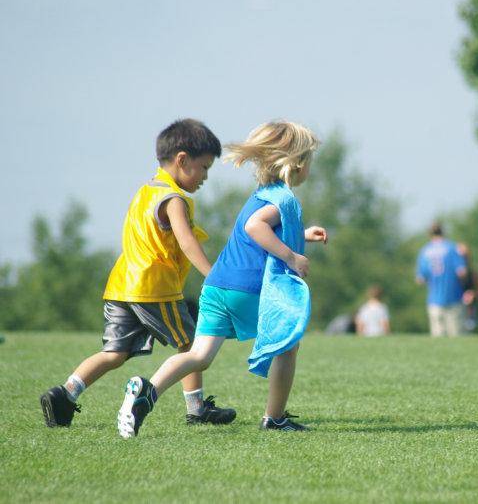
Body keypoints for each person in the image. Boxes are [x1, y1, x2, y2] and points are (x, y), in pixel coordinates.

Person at [117, 120, 327, 438]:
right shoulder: (284, 198)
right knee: (288, 343)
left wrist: (302, 234)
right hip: (248, 287)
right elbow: (255, 228)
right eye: (309, 159)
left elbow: (266, 225)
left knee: (199, 356)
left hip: (216, 287)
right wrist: (291, 256)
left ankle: (147, 391)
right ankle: (275, 418)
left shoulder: (262, 194)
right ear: (296, 163)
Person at [40, 119, 235, 428]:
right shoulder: (174, 199)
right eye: (204, 167)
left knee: (114, 353)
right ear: (182, 160)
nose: (206, 177)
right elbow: (186, 241)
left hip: (121, 286)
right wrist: (215, 275)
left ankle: (65, 393)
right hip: (154, 288)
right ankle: (197, 409)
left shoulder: (145, 192)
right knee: (192, 344)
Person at [416, 222, 467, 337]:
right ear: (443, 232)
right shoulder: (452, 248)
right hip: (454, 297)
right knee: (456, 336)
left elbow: (420, 279)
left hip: (434, 300)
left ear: (429, 234)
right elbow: (462, 272)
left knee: (438, 338)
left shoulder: (424, 251)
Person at [457, 242, 478, 332]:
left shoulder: (473, 274)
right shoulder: (450, 274)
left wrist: (473, 294)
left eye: (465, 255)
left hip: (468, 311)